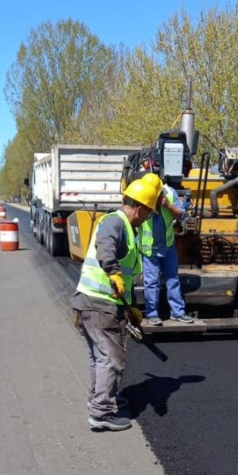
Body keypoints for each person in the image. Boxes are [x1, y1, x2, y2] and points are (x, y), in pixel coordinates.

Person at [71, 178, 160, 432]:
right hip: (100, 305)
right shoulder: (115, 222)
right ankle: (101, 413)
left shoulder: (127, 229)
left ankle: (100, 399)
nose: (146, 219)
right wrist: (112, 270)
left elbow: (127, 279)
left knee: (98, 357)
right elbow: (105, 245)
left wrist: (130, 308)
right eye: (148, 213)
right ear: (140, 208)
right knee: (111, 358)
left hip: (94, 303)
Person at [138, 172, 194, 326]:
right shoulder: (140, 195)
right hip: (149, 248)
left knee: (172, 280)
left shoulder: (169, 193)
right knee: (151, 282)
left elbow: (183, 216)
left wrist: (168, 205)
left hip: (168, 247)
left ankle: (178, 312)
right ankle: (152, 314)